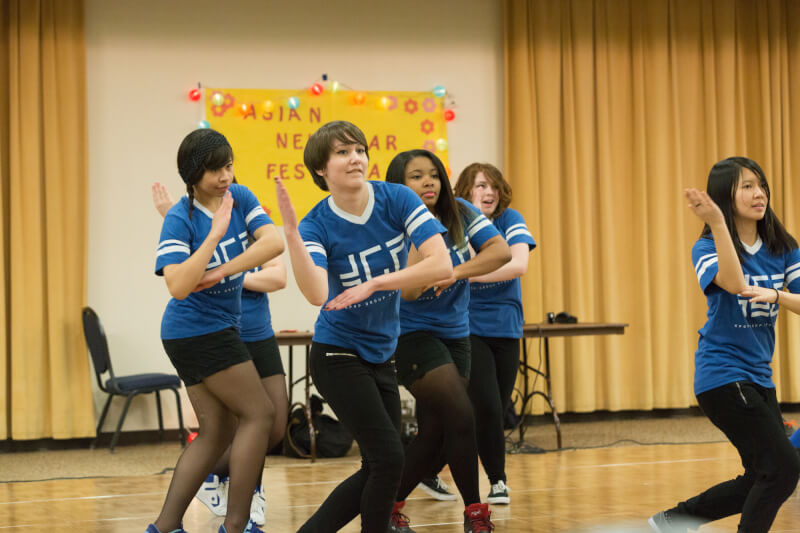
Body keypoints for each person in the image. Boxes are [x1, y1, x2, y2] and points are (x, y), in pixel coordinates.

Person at [274, 120, 452, 533]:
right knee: (389, 459)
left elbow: (441, 264)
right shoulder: (317, 224)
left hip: (382, 351)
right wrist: (290, 234)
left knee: (381, 464)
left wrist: (375, 283)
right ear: (321, 169)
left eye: (359, 150)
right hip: (338, 354)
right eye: (341, 152)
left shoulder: (397, 198)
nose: (355, 158)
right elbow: (317, 292)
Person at [648, 157, 800, 533]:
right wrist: (718, 223)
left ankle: (673, 521)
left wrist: (776, 295)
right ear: (723, 196)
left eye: (760, 184)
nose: (758, 193)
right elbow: (733, 283)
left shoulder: (783, 246)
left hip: (759, 378)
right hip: (722, 375)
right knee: (782, 468)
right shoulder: (705, 246)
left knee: (761, 475)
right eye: (746, 186)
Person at [146, 128, 284, 533]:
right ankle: (236, 525)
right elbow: (178, 284)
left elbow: (273, 243)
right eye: (214, 170)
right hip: (194, 330)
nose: (224, 176)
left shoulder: (240, 196)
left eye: (228, 166)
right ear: (192, 174)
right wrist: (213, 237)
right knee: (260, 414)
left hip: (212, 329)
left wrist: (225, 268)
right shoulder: (179, 218)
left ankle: (164, 527)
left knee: (218, 431)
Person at [385, 150, 509, 532]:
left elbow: (500, 252)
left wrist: (453, 272)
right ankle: (476, 513)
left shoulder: (458, 211)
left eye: (433, 175)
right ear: (398, 186)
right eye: (416, 176)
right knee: (462, 411)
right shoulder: (392, 220)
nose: (428, 182)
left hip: (456, 336)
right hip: (411, 335)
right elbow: (407, 293)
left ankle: (387, 506)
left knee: (438, 433)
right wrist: (421, 246)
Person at [453, 163, 536, 505]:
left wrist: (466, 275)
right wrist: (467, 269)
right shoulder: (457, 225)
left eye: (493, 187)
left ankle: (427, 467)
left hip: (506, 326)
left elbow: (518, 264)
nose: (489, 193)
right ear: (466, 192)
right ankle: (498, 480)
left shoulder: (510, 219)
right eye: (480, 186)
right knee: (485, 406)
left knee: (495, 409)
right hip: (469, 327)